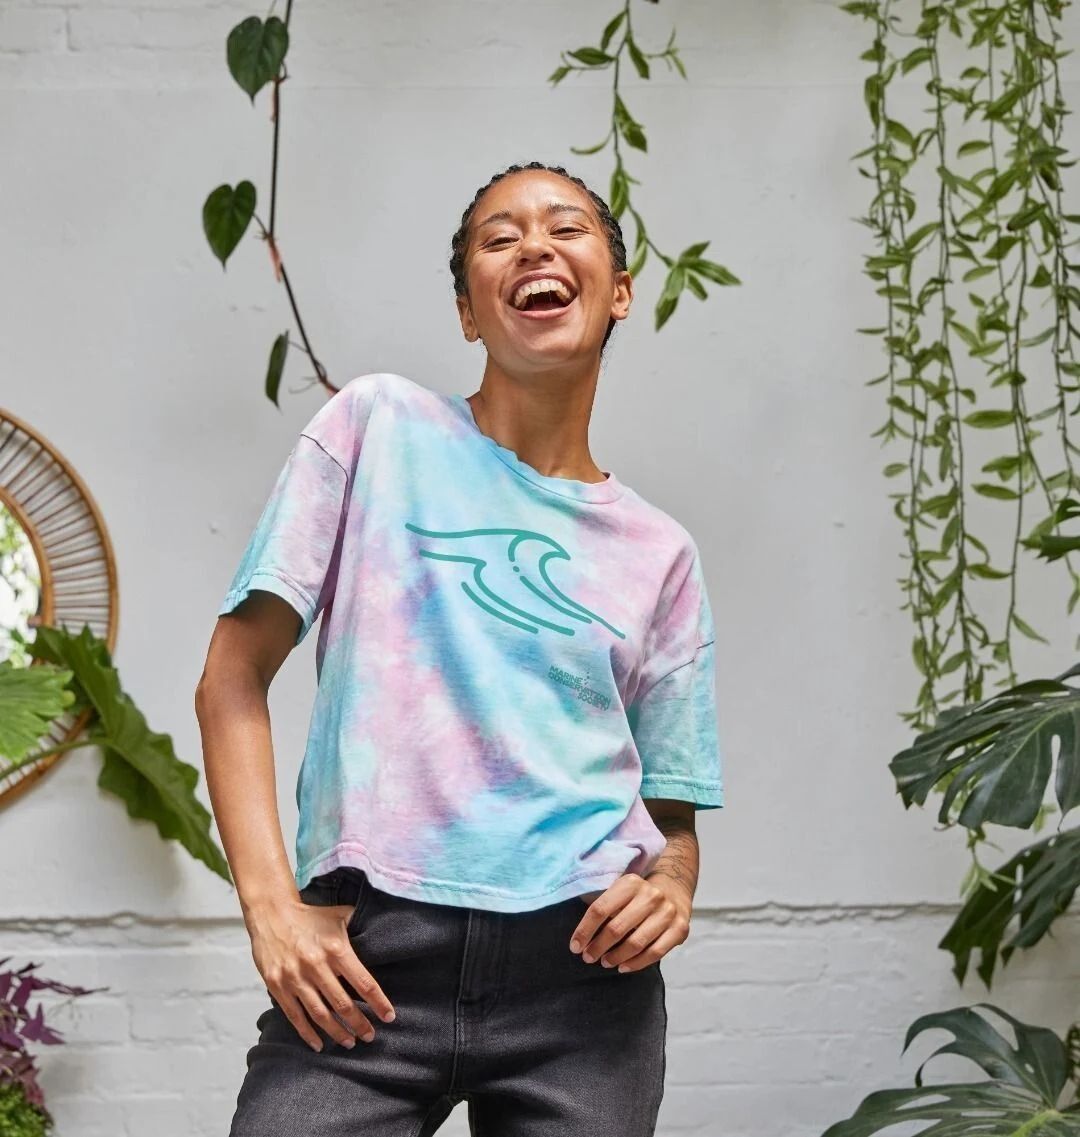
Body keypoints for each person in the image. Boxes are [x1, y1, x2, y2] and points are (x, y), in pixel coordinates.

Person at [195, 160, 724, 1137]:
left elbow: (670, 818)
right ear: (468, 313)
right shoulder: (377, 426)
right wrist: (271, 909)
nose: (534, 246)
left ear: (618, 292)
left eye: (566, 228)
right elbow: (231, 679)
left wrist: (674, 887)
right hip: (369, 958)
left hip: (585, 983)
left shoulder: (661, 552)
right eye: (499, 237)